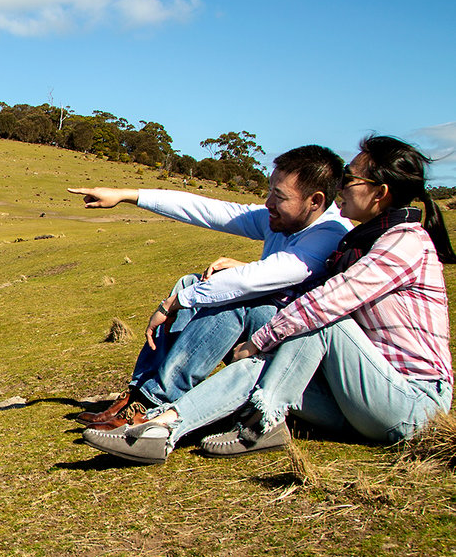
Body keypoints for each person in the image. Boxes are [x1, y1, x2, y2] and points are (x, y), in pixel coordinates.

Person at [83, 135, 455, 463]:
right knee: (274, 355)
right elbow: (213, 211)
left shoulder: (403, 242)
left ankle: (231, 416)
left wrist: (256, 341)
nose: (343, 186)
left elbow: (325, 303)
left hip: (411, 405)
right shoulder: (366, 239)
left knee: (315, 321)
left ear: (380, 192)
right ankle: (162, 428)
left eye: (350, 178)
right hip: (354, 395)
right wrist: (128, 195)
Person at [69, 145, 348, 428]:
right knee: (191, 283)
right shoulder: (281, 220)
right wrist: (127, 196)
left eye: (279, 196)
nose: (268, 204)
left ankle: (158, 402)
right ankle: (139, 393)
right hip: (270, 328)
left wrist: (174, 303)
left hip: (299, 350)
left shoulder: (329, 234)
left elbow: (254, 280)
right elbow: (209, 210)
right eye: (269, 192)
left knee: (231, 300)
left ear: (315, 201)